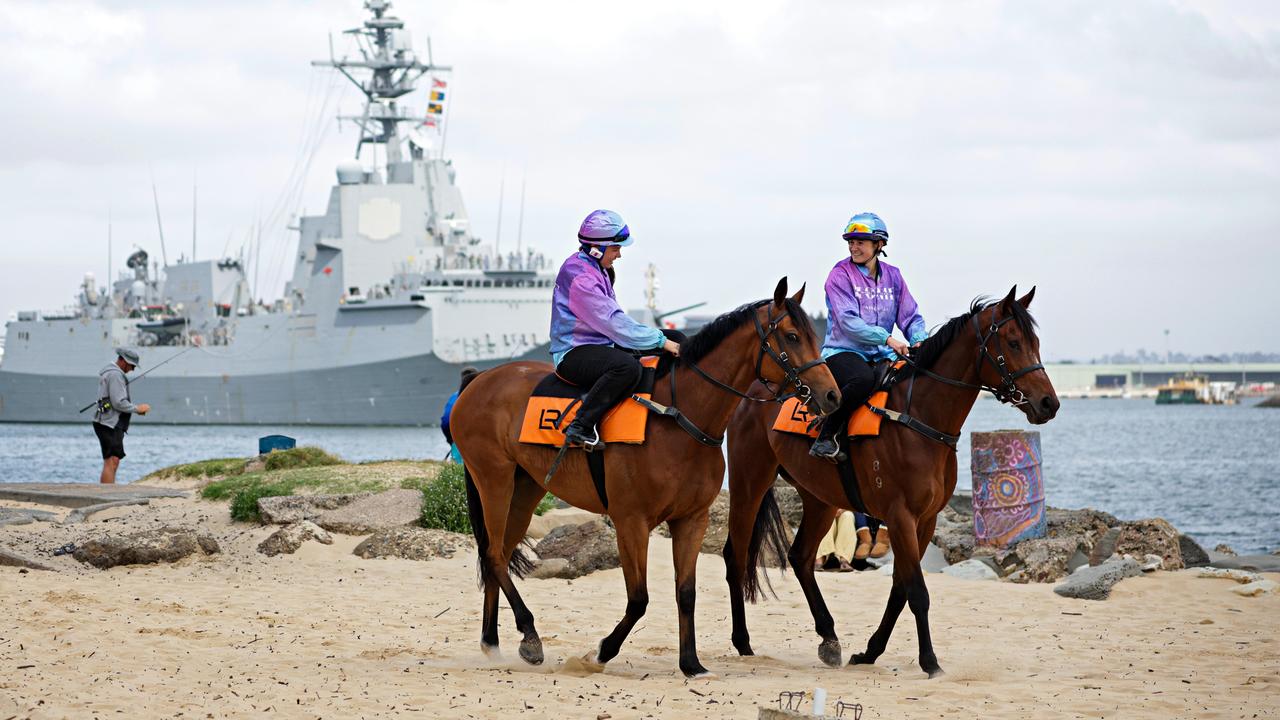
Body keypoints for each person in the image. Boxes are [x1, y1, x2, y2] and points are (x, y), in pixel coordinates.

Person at [550, 209, 681, 449]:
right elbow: (613, 322)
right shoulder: (581, 277)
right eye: (616, 248)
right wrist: (661, 342)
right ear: (596, 249)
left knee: (677, 337)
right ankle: (580, 426)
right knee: (626, 367)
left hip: (600, 343)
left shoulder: (599, 268)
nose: (619, 255)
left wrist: (666, 340)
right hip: (573, 353)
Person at [811, 211, 928, 461]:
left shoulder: (894, 276)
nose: (853, 247)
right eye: (851, 242)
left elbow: (910, 315)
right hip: (843, 352)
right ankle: (826, 435)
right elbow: (849, 323)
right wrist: (887, 339)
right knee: (863, 380)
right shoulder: (839, 275)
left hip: (881, 353)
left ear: (879, 244)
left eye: (860, 242)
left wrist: (919, 338)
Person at [92, 348, 150, 484]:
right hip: (108, 423)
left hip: (107, 422)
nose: (133, 369)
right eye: (132, 366)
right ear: (123, 361)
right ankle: (107, 494)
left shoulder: (110, 373)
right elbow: (118, 403)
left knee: (114, 460)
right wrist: (137, 409)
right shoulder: (116, 375)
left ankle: (108, 490)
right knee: (111, 461)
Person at [440, 366, 479, 464]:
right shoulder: (481, 395)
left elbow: (445, 421)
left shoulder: (454, 396)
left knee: (459, 466)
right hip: (475, 439)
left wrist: (451, 439)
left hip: (455, 437)